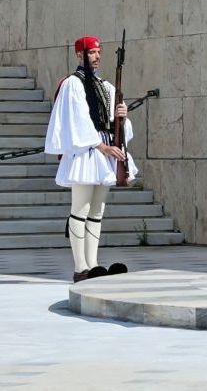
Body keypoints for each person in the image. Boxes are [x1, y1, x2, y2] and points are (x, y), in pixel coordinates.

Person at [43, 36, 138, 283]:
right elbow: (77, 120)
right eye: (91, 52)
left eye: (98, 52)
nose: (96, 56)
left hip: (105, 151)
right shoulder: (73, 84)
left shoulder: (107, 87)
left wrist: (123, 116)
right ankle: (80, 268)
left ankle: (93, 265)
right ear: (79, 55)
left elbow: (118, 126)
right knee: (80, 209)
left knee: (97, 210)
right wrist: (102, 147)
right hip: (87, 150)